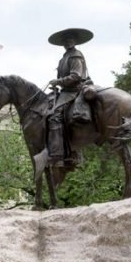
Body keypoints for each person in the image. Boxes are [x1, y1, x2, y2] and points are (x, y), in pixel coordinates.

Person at [46, 27, 97, 168]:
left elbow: (76, 76)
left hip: (74, 90)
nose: (67, 42)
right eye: (65, 40)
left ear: (74, 41)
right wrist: (57, 85)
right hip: (65, 90)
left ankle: (57, 154)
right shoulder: (64, 57)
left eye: (70, 39)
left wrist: (58, 82)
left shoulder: (75, 55)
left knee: (55, 116)